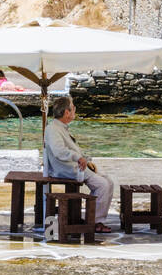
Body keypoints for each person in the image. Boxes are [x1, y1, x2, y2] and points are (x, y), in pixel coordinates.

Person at [44, 96, 115, 233]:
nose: (75, 110)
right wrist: (78, 158)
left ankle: (95, 218)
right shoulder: (53, 129)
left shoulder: (61, 128)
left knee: (108, 182)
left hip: (74, 166)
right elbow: (60, 151)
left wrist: (85, 160)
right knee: (103, 185)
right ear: (66, 113)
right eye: (73, 108)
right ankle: (95, 222)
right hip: (66, 169)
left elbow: (69, 150)